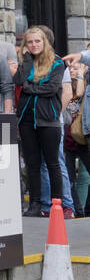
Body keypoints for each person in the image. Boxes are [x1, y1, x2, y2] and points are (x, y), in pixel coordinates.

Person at [16, 26, 67, 217]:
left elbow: (52, 89)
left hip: (48, 120)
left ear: (44, 42)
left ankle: (57, 204)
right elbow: (19, 80)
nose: (34, 44)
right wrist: (27, 61)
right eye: (30, 42)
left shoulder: (57, 63)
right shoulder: (26, 61)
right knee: (32, 163)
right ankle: (35, 204)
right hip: (27, 120)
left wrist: (29, 88)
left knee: (52, 163)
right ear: (25, 45)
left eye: (37, 41)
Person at [62, 59, 88, 218]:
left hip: (81, 137)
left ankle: (82, 209)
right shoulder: (63, 84)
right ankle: (77, 209)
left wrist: (80, 76)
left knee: (85, 176)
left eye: (75, 68)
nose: (71, 70)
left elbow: (79, 93)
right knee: (69, 177)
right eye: (69, 68)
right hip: (66, 139)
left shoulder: (83, 83)